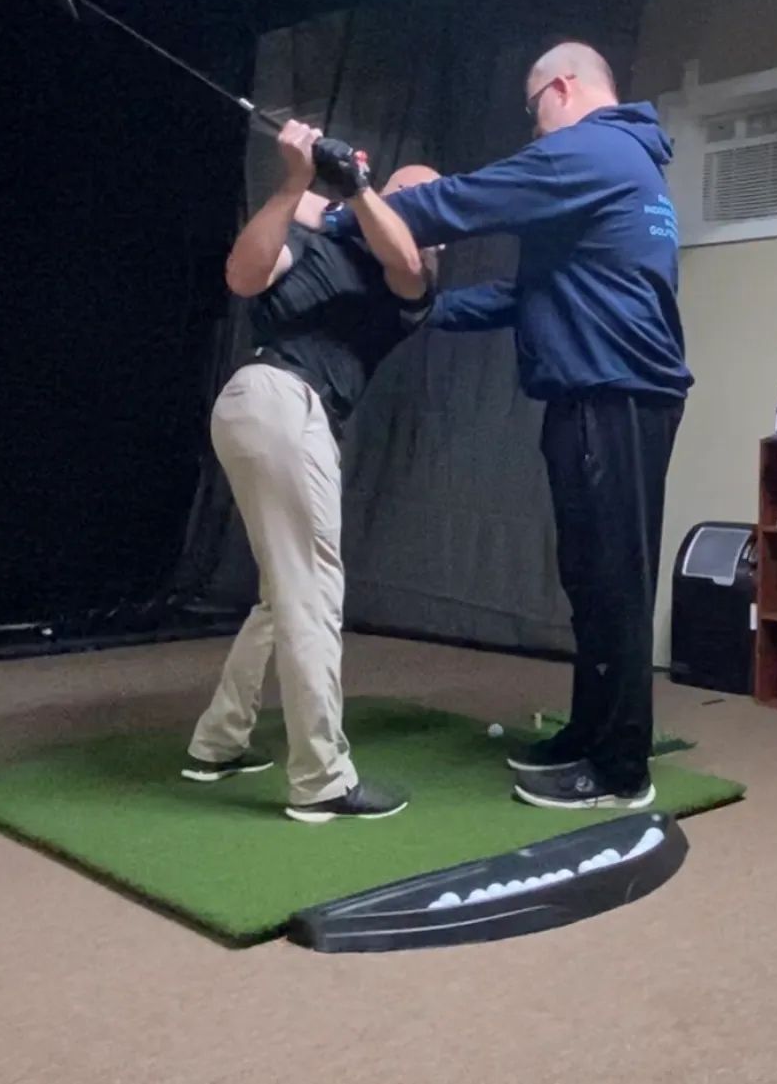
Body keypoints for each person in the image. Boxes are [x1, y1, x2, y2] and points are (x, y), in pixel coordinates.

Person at [324, 42, 693, 810]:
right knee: (589, 581)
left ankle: (621, 768)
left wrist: (345, 206)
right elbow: (528, 296)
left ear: (560, 88)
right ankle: (588, 734)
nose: (532, 130)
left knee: (613, 586)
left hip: (613, 395)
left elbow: (460, 202)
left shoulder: (589, 150)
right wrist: (419, 310)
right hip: (598, 396)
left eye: (532, 112)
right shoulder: (622, 160)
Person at [181, 119, 440, 823]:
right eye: (400, 195)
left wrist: (350, 187)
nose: (409, 211)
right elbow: (242, 274)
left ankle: (218, 740)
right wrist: (294, 180)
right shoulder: (322, 244)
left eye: (423, 207)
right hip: (268, 399)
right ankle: (321, 779)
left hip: (281, 411)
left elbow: (409, 261)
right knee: (312, 593)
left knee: (282, 594)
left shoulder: (408, 281)